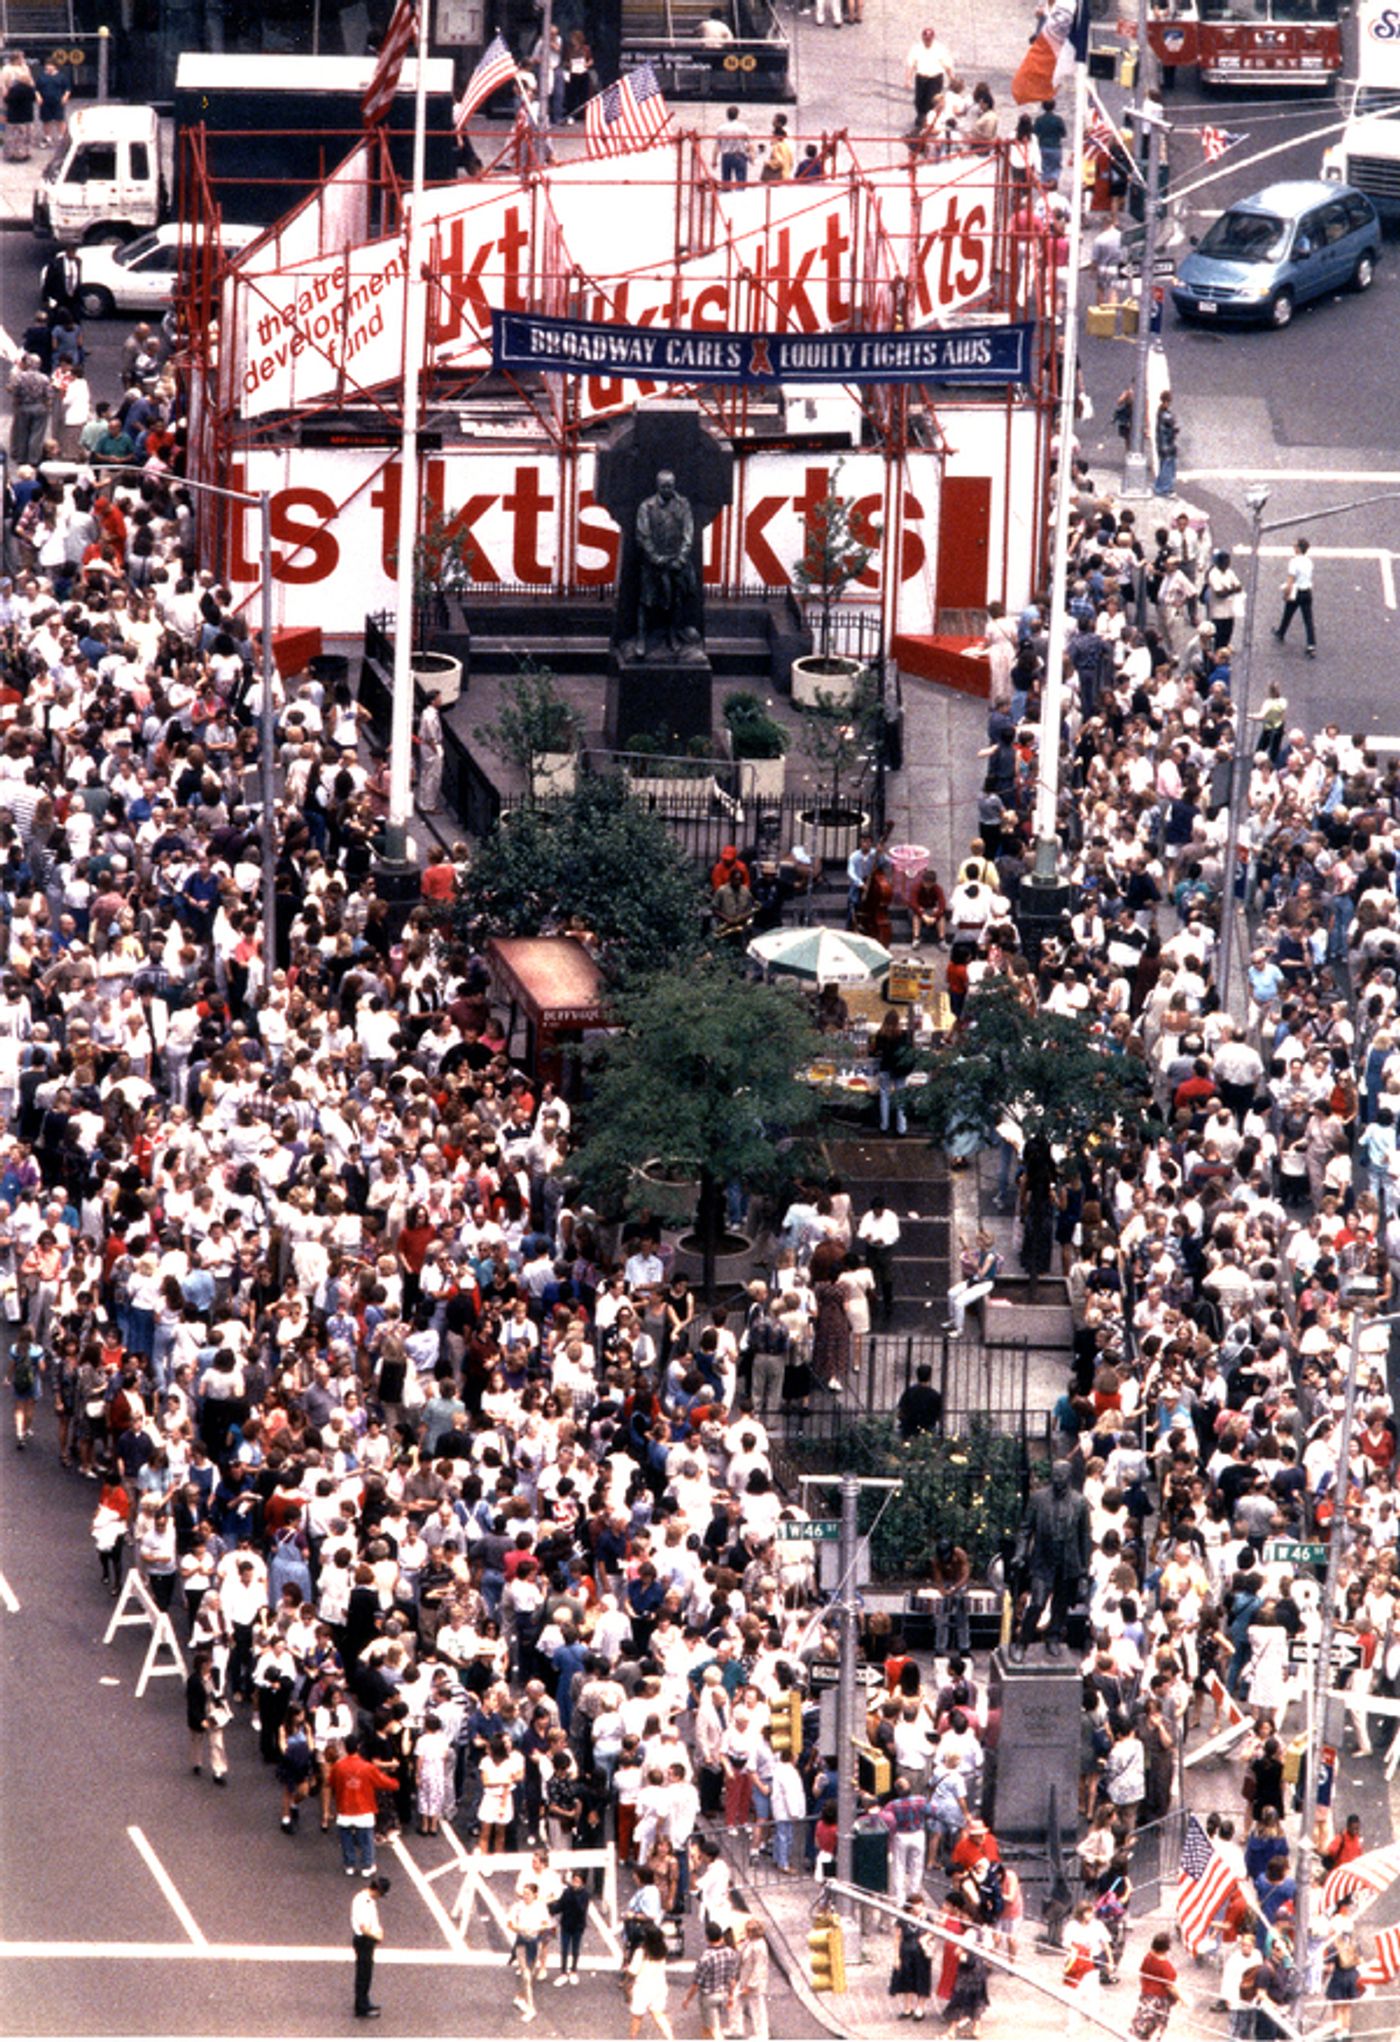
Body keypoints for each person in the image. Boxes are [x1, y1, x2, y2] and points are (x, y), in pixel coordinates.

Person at [684, 1919, 740, 2041]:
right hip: (724, 1993)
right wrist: (730, 1996)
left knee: (715, 2030)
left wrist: (687, 1999)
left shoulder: (706, 1958)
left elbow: (696, 1983)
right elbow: (732, 1978)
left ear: (707, 1937)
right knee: (707, 2025)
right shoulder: (731, 1953)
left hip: (709, 1996)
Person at [942, 1231, 999, 1336]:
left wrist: (976, 1266)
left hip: (985, 1284)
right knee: (951, 1293)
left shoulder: (990, 1256)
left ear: (983, 1242)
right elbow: (976, 1263)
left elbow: (982, 1273)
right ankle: (953, 1320)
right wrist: (966, 1249)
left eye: (978, 1240)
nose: (976, 1242)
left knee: (959, 1302)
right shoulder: (982, 1251)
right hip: (976, 1279)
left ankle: (959, 1330)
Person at [350, 1874, 390, 2020]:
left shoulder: (369, 1900)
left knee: (367, 1974)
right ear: (377, 1891)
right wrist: (377, 1936)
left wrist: (378, 1930)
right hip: (364, 1940)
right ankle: (361, 2008)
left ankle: (365, 2002)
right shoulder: (363, 1902)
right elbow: (364, 1927)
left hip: (368, 1940)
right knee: (363, 1975)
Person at [626, 1921, 674, 2041]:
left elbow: (632, 1972)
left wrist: (626, 1982)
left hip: (642, 1988)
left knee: (637, 2017)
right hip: (659, 1986)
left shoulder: (641, 1953)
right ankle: (671, 2038)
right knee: (658, 2015)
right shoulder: (662, 1951)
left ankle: (632, 2038)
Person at [1130, 1931, 1180, 2039]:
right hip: (1160, 2000)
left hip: (1146, 1996)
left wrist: (1144, 1987)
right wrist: (1181, 1999)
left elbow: (1142, 1974)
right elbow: (1170, 1987)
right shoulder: (1166, 1967)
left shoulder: (1148, 1958)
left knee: (1142, 2023)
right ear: (1167, 1948)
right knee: (1158, 2026)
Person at [1273, 537, 1316, 656]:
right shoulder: (1309, 562)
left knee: (1288, 613)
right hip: (1307, 591)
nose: (1293, 547)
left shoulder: (1294, 562)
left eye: (1295, 546)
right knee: (1308, 619)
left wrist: (1286, 593)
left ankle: (1281, 633)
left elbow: (1290, 580)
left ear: (1298, 548)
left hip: (1296, 592)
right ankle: (1311, 644)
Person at [906, 26, 954, 129]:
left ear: (933, 38)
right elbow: (911, 64)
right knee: (919, 100)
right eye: (925, 39)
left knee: (932, 100)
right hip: (921, 77)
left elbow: (947, 65)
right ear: (922, 38)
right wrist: (908, 80)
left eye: (929, 39)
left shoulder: (940, 49)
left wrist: (952, 78)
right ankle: (921, 118)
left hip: (935, 78)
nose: (927, 41)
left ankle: (930, 121)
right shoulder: (916, 48)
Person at [734, 1916, 770, 2038]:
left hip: (754, 1984)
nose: (746, 1933)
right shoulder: (749, 1942)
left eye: (748, 1931)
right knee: (736, 2002)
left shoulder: (759, 1946)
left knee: (757, 2010)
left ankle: (762, 2035)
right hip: (744, 1979)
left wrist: (750, 1986)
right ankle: (736, 2028)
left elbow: (759, 1968)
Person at [714, 105, 751, 183]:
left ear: (727, 115)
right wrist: (751, 156)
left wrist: (714, 160)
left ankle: (726, 193)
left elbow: (717, 146)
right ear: (737, 115)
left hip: (726, 156)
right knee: (741, 181)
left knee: (726, 180)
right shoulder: (743, 127)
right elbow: (749, 143)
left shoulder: (721, 128)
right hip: (739, 155)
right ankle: (740, 193)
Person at [1154, 391, 1180, 498]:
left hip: (1161, 445)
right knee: (1167, 468)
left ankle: (1159, 486)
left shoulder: (1160, 412)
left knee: (1163, 466)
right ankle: (1165, 489)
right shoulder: (1166, 415)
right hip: (1167, 446)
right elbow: (1172, 422)